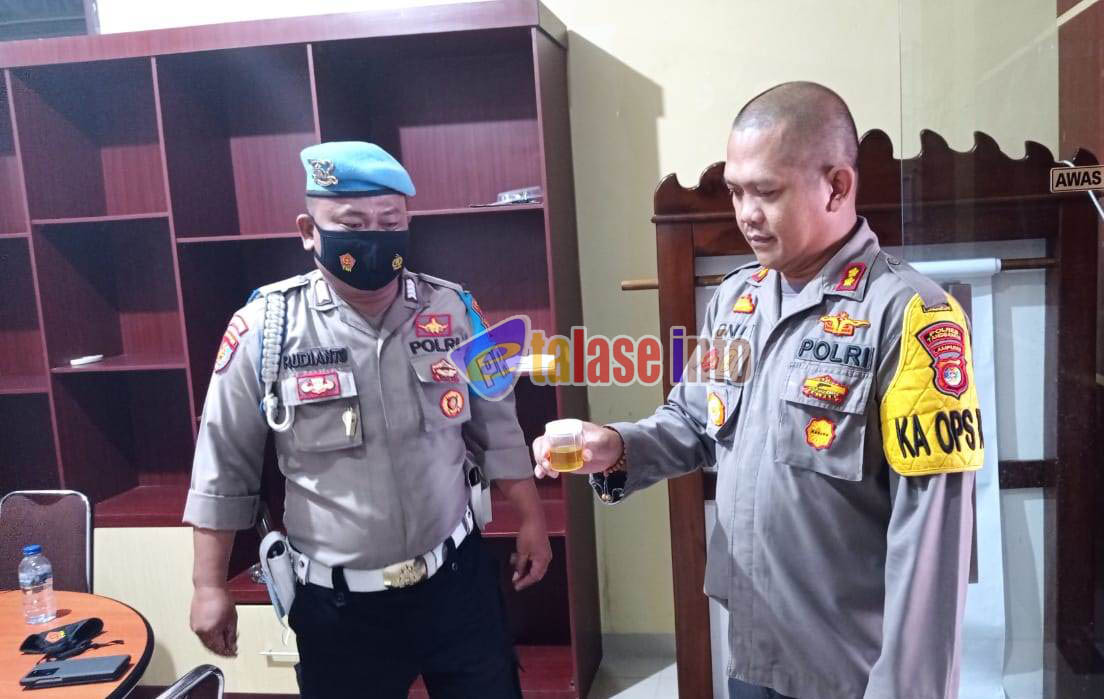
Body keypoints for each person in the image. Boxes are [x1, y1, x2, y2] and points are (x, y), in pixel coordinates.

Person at [533, 83, 982, 699]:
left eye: (766, 192)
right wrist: (614, 445)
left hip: (850, 671)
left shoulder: (910, 316)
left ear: (837, 186)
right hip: (752, 649)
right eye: (736, 191)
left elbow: (933, 533)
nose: (745, 213)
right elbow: (693, 421)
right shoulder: (736, 300)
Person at [184, 141, 551, 699]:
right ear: (309, 231)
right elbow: (223, 460)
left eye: (390, 221)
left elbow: (498, 428)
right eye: (353, 224)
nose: (374, 237)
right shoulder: (265, 329)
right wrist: (208, 583)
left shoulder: (454, 309)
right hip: (341, 611)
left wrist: (531, 518)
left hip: (457, 586)